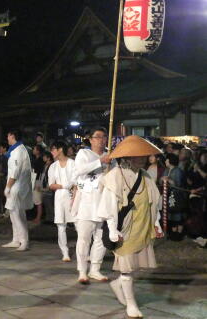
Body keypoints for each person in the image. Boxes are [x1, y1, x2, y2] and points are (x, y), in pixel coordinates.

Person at [98, 136, 164, 318]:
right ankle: (131, 303)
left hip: (142, 225)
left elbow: (154, 202)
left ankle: (117, 284)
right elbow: (109, 205)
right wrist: (112, 229)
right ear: (127, 157)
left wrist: (156, 223)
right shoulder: (114, 176)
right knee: (126, 268)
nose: (142, 158)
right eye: (138, 155)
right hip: (124, 227)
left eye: (144, 155)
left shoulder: (146, 175)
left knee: (134, 266)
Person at [72, 126, 111, 284]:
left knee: (101, 238)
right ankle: (82, 270)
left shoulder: (110, 156)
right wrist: (100, 161)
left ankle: (95, 268)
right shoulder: (84, 153)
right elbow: (79, 171)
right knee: (84, 238)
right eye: (98, 136)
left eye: (104, 137)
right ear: (91, 139)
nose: (101, 140)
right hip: (87, 201)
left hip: (104, 200)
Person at [2, 129, 33, 251]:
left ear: (12, 135)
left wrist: (8, 187)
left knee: (17, 215)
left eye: (8, 135)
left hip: (17, 186)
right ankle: (16, 239)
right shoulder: (17, 150)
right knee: (13, 214)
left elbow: (15, 172)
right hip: (17, 185)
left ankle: (24, 241)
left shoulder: (18, 151)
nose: (7, 138)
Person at [48, 140, 76, 262]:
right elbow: (51, 185)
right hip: (59, 197)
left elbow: (76, 183)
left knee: (78, 224)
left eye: (53, 149)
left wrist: (71, 191)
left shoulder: (73, 163)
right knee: (61, 225)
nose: (51, 152)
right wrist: (65, 185)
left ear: (60, 149)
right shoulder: (53, 166)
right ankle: (65, 251)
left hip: (72, 196)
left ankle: (83, 250)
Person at [163, 153, 188, 239]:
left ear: (170, 161)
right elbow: (161, 179)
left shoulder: (177, 171)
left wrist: (168, 180)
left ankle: (179, 234)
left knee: (178, 215)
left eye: (167, 159)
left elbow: (177, 184)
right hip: (170, 196)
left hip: (177, 196)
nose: (165, 161)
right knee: (171, 215)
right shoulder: (167, 170)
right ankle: (173, 233)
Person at [32, 144, 45, 224]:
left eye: (34, 149)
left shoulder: (40, 160)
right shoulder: (36, 159)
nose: (33, 150)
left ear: (38, 151)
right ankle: (38, 216)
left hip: (37, 181)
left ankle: (38, 217)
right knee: (36, 200)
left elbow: (40, 173)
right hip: (35, 180)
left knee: (38, 200)